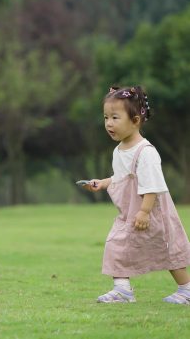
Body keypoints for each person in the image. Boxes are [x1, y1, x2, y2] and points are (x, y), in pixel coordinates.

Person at [80, 86, 190, 304]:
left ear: (136, 120)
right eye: (105, 117)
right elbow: (122, 177)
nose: (108, 123)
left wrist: (144, 211)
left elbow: (152, 186)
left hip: (150, 212)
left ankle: (186, 290)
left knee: (167, 251)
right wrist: (102, 183)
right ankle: (122, 290)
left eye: (115, 117)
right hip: (130, 213)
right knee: (116, 244)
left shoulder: (146, 152)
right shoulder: (119, 150)